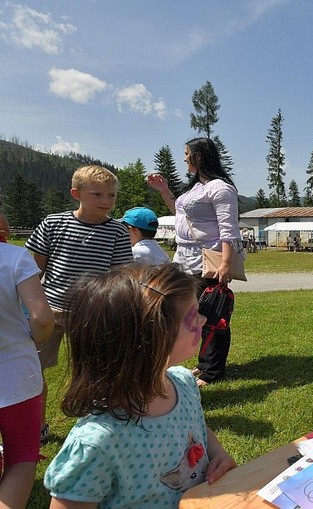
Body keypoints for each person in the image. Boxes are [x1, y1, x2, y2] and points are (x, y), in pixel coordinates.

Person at [44, 263, 237, 506]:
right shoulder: (97, 443)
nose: (203, 319)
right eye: (194, 314)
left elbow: (197, 427)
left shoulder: (183, 383)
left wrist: (217, 454)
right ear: (154, 336)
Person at [25, 165, 133, 441]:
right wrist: (29, 306)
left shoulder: (118, 232)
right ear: (77, 194)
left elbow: (119, 276)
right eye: (97, 194)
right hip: (49, 309)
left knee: (95, 369)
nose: (106, 201)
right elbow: (31, 269)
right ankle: (35, 428)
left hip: (92, 311)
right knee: (31, 368)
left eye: (111, 195)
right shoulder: (54, 223)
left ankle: (97, 425)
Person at [146, 137, 242, 387]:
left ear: (200, 156)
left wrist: (225, 264)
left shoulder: (220, 188)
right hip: (185, 260)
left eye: (187, 153)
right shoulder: (196, 188)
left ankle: (212, 371)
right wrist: (165, 191)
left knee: (212, 315)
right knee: (190, 314)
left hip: (208, 261)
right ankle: (203, 363)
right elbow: (181, 215)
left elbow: (228, 229)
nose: (184, 158)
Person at [0, 242, 54, 508]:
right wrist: (36, 339)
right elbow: (42, 318)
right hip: (15, 374)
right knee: (21, 456)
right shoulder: (13, 257)